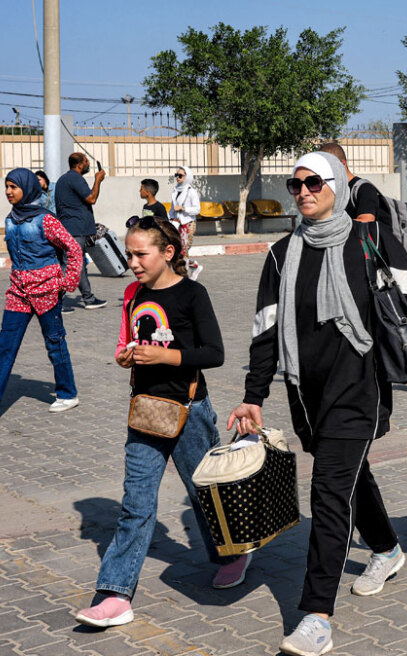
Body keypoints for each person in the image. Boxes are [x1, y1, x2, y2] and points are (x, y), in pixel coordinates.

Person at [229, 152, 407, 656]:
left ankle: (316, 616)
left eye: (314, 182)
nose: (303, 191)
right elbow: (265, 330)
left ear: (338, 186)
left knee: (328, 491)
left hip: (359, 386)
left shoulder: (371, 240)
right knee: (347, 474)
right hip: (306, 392)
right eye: (296, 184)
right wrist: (253, 395)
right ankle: (387, 548)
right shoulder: (281, 254)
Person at [74, 213, 247, 628]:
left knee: (204, 495)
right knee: (136, 505)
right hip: (146, 411)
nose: (132, 263)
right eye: (129, 254)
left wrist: (165, 356)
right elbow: (125, 342)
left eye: (140, 254)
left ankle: (233, 554)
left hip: (190, 411)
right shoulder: (132, 293)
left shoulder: (192, 294)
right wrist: (125, 356)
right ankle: (115, 595)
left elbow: (215, 353)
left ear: (168, 252)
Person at [0, 169, 82, 412]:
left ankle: (68, 394)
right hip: (18, 293)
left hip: (47, 292)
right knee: (5, 346)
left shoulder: (46, 220)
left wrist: (67, 283)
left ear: (27, 188)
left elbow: (73, 249)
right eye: (6, 187)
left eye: (13, 187)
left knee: (54, 343)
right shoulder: (10, 220)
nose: (8, 192)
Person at [54, 152, 106, 309]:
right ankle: (54, 302)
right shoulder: (75, 178)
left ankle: (88, 298)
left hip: (71, 228)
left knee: (79, 263)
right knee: (70, 264)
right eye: (87, 162)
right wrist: (98, 180)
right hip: (74, 230)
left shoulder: (64, 179)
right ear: (80, 165)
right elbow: (91, 198)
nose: (89, 164)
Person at [168, 166, 203, 281]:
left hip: (188, 224)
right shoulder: (176, 190)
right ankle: (194, 266)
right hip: (177, 224)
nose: (177, 178)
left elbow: (197, 209)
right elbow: (173, 209)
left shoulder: (191, 191)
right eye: (176, 175)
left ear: (187, 177)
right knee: (179, 250)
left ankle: (184, 277)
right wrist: (169, 219)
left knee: (183, 250)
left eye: (180, 176)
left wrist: (183, 208)